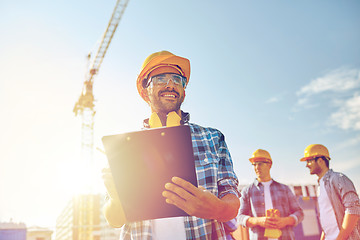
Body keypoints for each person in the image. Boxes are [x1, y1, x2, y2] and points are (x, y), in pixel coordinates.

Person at [102, 50, 240, 239]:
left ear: (184, 90)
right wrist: (116, 198)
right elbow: (115, 220)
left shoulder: (213, 138)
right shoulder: (124, 148)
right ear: (144, 91)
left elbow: (231, 204)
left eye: (177, 80)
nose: (170, 85)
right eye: (160, 79)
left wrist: (217, 209)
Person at [238, 149, 304, 240]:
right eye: (254, 164)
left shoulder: (284, 189)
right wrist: (258, 220)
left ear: (269, 164)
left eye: (260, 164)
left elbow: (299, 213)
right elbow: (240, 217)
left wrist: (285, 221)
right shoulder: (247, 191)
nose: (256, 167)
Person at [300, 144, 360, 240]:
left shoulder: (338, 179)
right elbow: (328, 219)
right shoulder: (320, 186)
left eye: (309, 160)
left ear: (320, 160)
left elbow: (353, 210)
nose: (307, 165)